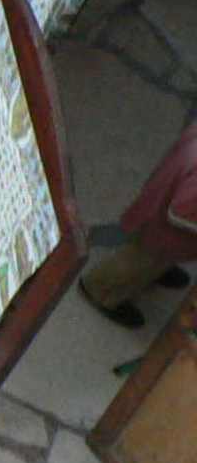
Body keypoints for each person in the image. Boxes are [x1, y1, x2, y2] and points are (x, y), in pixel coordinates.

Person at [81, 117, 197, 327]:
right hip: (166, 229)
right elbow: (179, 213)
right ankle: (99, 290)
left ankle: (159, 269)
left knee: (155, 258)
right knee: (137, 260)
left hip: (167, 206)